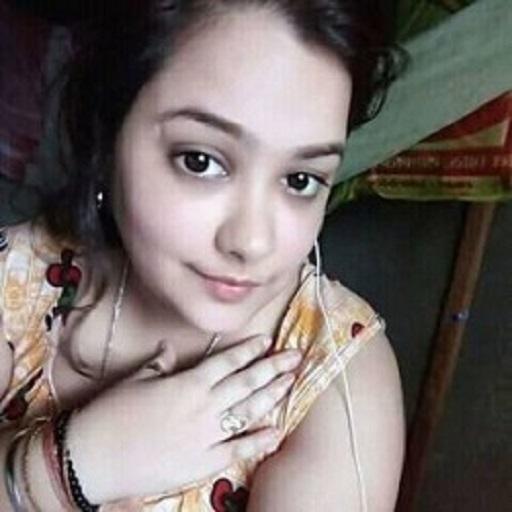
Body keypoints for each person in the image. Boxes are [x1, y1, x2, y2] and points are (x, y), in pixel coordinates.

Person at [0, 1, 407, 510]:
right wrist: (77, 464)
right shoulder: (16, 285)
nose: (251, 241)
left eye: (301, 180)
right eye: (201, 161)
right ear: (110, 125)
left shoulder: (333, 374)